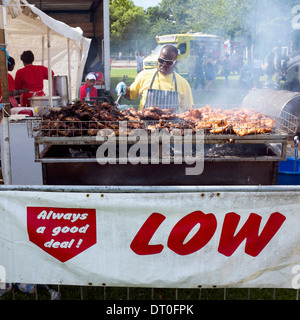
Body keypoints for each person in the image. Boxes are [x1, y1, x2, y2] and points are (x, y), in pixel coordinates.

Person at [115, 45, 194, 112]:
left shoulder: (183, 83)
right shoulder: (144, 75)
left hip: (172, 127)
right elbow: (131, 95)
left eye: (169, 62)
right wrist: (123, 90)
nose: (164, 64)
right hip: (145, 126)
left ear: (175, 63)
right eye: (161, 60)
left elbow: (188, 111)